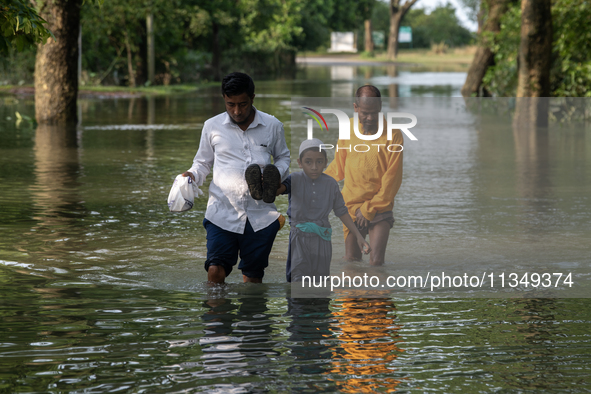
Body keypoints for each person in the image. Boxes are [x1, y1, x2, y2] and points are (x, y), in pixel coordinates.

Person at [182, 72, 290, 284]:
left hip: (261, 216)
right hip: (221, 212)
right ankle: (217, 314)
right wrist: (192, 175)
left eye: (243, 104)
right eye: (230, 104)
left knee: (252, 278)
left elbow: (283, 157)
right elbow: (203, 163)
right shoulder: (211, 126)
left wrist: (276, 174)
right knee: (214, 271)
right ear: (224, 98)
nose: (237, 111)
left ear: (253, 98)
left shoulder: (272, 125)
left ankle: (249, 316)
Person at [324, 85, 403, 266]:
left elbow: (392, 179)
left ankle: (376, 294)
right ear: (355, 107)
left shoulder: (394, 134)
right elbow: (338, 167)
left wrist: (368, 209)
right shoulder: (348, 129)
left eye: (374, 113)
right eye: (365, 113)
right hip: (351, 207)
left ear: (381, 106)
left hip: (380, 206)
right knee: (351, 261)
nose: (369, 118)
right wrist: (315, 183)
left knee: (376, 263)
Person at [276, 138, 370, 282]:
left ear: (326, 163)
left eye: (319, 162)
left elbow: (341, 211)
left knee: (320, 282)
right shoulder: (294, 179)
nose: (314, 167)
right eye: (308, 162)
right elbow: (280, 189)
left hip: (323, 240)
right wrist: (270, 185)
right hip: (299, 239)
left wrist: (359, 236)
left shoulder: (331, 184)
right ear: (299, 163)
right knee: (298, 280)